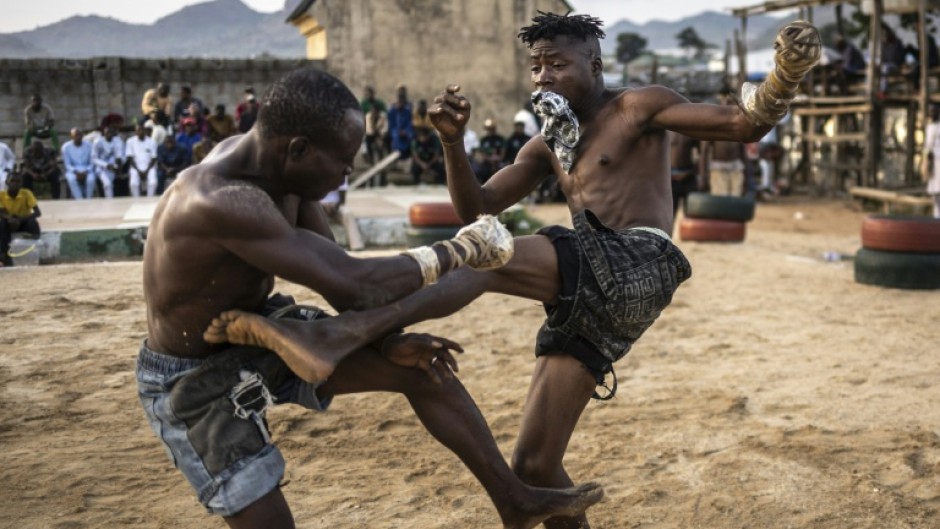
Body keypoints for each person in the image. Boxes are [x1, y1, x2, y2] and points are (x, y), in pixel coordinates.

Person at [137, 66, 601, 529]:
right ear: (298, 149)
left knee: (422, 367)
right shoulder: (219, 199)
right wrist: (459, 249)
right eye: (342, 159)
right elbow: (353, 282)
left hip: (260, 330)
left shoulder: (284, 178)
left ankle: (513, 499)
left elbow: (346, 289)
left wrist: (387, 340)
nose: (349, 170)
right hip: (192, 380)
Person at [405, 13, 812, 529]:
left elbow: (741, 124)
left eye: (557, 63)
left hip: (642, 259)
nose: (544, 77)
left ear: (594, 65)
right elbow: (478, 205)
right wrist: (450, 143)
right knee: (534, 465)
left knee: (487, 255)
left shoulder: (636, 107)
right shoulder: (549, 142)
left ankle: (359, 317)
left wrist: (785, 76)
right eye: (536, 67)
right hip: (590, 289)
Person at [701, 91, 749, 196]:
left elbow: (744, 154)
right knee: (720, 204)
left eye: (731, 102)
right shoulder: (714, 125)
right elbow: (704, 152)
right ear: (721, 104)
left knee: (735, 204)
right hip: (718, 170)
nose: (728, 105)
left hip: (736, 169)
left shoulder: (740, 126)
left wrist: (747, 177)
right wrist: (703, 176)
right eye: (726, 102)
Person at [0, 173, 41, 267]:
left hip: (23, 221)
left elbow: (37, 212)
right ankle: (4, 256)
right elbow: (2, 212)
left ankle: (35, 249)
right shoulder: (1, 195)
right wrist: (11, 219)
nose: (15, 184)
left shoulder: (26, 193)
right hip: (8, 222)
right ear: (7, 182)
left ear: (21, 183)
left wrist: (20, 219)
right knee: (2, 224)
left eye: (18, 181)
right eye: (12, 181)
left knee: (33, 223)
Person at [668, 130, 700, 226]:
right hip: (671, 179)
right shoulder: (666, 133)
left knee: (691, 212)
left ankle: (689, 234)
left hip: (688, 176)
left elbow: (700, 154)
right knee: (670, 214)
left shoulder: (691, 133)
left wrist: (692, 172)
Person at [125, 124, 158, 197]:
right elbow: (130, 158)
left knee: (153, 182)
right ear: (135, 132)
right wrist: (138, 171)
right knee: (133, 183)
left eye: (142, 130)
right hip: (135, 166)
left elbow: (154, 158)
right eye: (138, 130)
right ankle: (136, 200)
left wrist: (146, 171)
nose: (140, 132)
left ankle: (150, 199)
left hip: (149, 166)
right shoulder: (130, 141)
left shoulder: (152, 141)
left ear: (145, 131)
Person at [62, 128, 96, 199]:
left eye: (80, 135)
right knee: (71, 179)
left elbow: (92, 161)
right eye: (76, 135)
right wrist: (76, 172)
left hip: (87, 169)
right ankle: (79, 199)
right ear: (72, 137)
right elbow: (67, 164)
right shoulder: (66, 147)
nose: (79, 137)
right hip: (73, 170)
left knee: (91, 179)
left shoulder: (89, 145)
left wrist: (86, 171)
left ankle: (89, 199)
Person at [92, 127, 125, 199]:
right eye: (107, 133)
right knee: (107, 184)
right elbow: (94, 158)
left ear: (113, 133)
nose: (109, 134)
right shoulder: (98, 142)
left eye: (111, 133)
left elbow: (121, 155)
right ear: (104, 134)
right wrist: (106, 165)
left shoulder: (117, 140)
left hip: (114, 167)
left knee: (111, 184)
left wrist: (119, 165)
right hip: (102, 168)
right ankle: (110, 202)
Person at [921, 104, 940, 218]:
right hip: (931, 162)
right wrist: (925, 160)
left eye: (935, 111)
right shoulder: (929, 127)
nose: (932, 113)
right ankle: (936, 217)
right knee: (934, 192)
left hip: (939, 161)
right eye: (931, 111)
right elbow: (927, 146)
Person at [387, 85, 414, 159]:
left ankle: (406, 154)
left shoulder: (407, 110)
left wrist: (405, 131)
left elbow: (409, 122)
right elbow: (391, 123)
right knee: (395, 135)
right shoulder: (392, 110)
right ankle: (397, 154)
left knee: (410, 135)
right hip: (395, 129)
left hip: (406, 129)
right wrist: (399, 131)